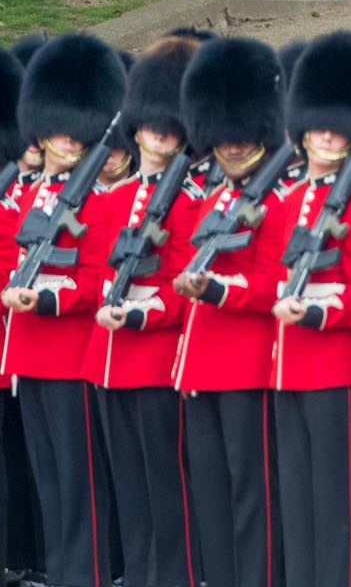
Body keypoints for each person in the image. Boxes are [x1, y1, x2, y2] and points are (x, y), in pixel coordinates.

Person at [1, 34, 128, 587]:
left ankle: (90, 574)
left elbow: (99, 280)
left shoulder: (101, 202)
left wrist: (52, 297)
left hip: (74, 350)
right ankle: (60, 570)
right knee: (49, 477)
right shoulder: (24, 196)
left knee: (80, 482)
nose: (67, 141)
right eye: (56, 130)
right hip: (29, 349)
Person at [173, 35, 292, 587]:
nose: (235, 146)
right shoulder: (211, 195)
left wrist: (220, 291)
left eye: (244, 137)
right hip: (198, 366)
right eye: (224, 138)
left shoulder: (278, 196)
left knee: (251, 494)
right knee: (210, 492)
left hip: (248, 365)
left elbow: (274, 282)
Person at [272, 32, 351, 587]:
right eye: (317, 125)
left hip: (337, 365)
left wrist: (314, 312)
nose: (325, 135)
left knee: (335, 503)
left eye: (337, 127)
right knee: (296, 500)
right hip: (287, 367)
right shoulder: (287, 200)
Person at [92, 37, 203, 587]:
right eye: (150, 125)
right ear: (135, 128)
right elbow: (93, 273)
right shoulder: (111, 200)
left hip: (155, 355)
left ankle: (174, 575)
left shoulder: (190, 202)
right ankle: (139, 572)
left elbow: (182, 285)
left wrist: (139, 313)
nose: (158, 134)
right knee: (128, 483)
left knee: (165, 482)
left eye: (169, 125)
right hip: (108, 359)